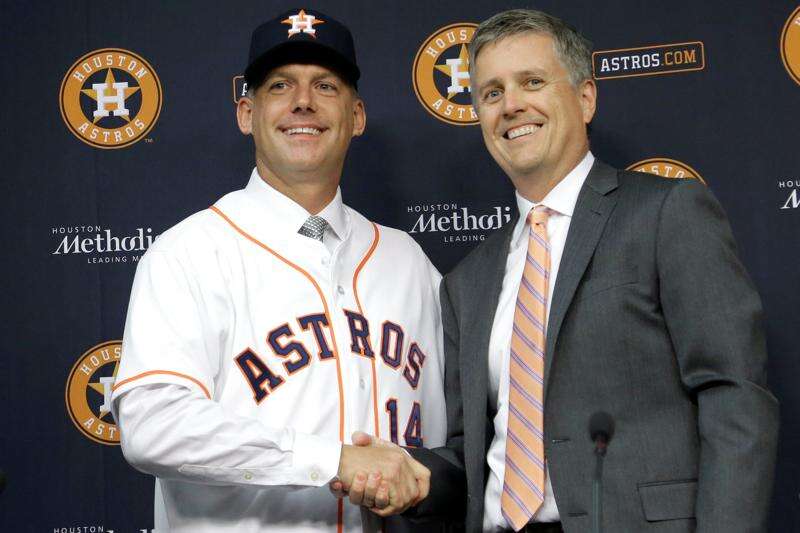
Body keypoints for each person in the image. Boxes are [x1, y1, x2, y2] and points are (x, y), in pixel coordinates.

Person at [345, 8, 779, 532]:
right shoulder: (467, 282)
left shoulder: (667, 213)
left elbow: (735, 397)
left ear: (586, 97)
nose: (511, 106)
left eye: (532, 82)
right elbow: (475, 452)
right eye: (491, 92)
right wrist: (414, 474)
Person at [111, 8, 443, 532]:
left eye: (326, 85)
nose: (303, 102)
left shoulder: (409, 262)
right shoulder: (189, 252)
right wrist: (329, 459)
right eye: (280, 85)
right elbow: (153, 425)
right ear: (247, 113)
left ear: (356, 116)